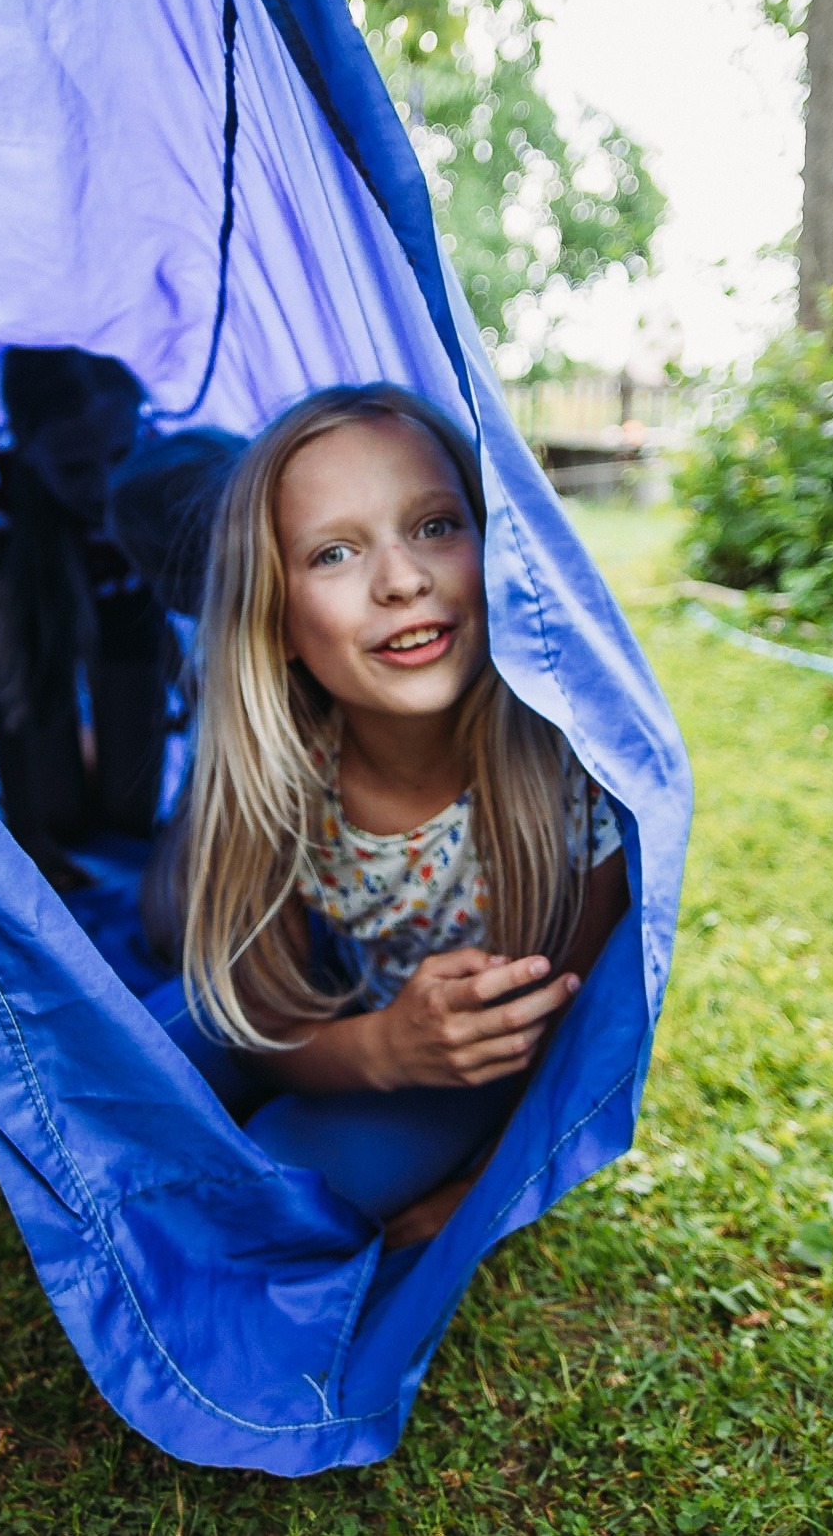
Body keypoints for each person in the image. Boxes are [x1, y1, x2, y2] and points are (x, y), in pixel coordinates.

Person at [149, 386, 628, 1247]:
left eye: (436, 525)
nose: (403, 580)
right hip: (352, 1017)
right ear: (278, 618)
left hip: (477, 1070)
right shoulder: (282, 775)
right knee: (127, 1065)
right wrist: (381, 1046)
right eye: (334, 552)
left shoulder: (569, 771)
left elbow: (582, 1038)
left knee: (272, 1186)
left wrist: (486, 1187)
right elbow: (260, 1025)